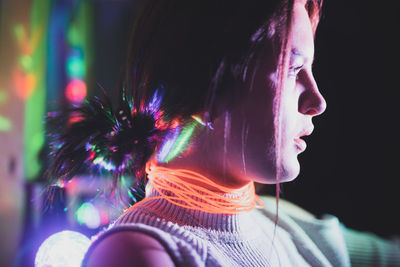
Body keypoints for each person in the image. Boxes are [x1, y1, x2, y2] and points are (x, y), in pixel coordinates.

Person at [48, 0, 400, 266]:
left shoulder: (290, 223)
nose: (317, 100)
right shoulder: (140, 254)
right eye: (293, 70)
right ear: (205, 85)